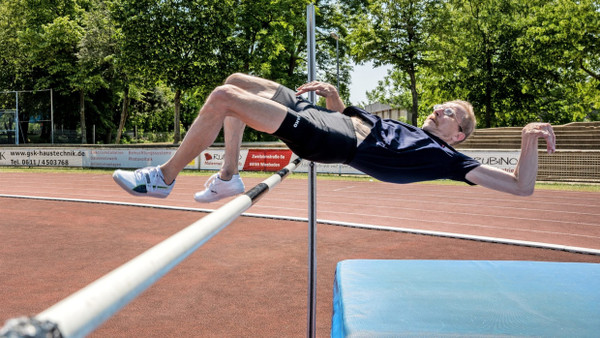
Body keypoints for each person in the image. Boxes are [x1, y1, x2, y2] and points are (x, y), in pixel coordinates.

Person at [112, 73, 556, 202]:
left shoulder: (447, 159)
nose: (441, 108)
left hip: (335, 140)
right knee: (236, 81)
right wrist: (337, 98)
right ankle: (228, 177)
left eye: (451, 114)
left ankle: (165, 178)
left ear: (458, 134)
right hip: (334, 122)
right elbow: (356, 122)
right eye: (444, 104)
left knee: (224, 97)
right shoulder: (406, 128)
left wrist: (528, 139)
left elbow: (522, 185)